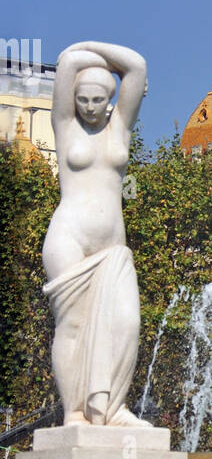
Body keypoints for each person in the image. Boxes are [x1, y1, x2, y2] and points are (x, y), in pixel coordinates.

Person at [42, 41, 149, 427]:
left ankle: (112, 408)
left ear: (110, 101)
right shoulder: (65, 126)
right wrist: (91, 57)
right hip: (68, 237)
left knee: (126, 323)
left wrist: (96, 54)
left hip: (112, 247)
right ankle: (73, 412)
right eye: (82, 99)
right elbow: (68, 61)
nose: (88, 107)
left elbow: (136, 66)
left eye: (97, 99)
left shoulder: (120, 126)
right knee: (71, 325)